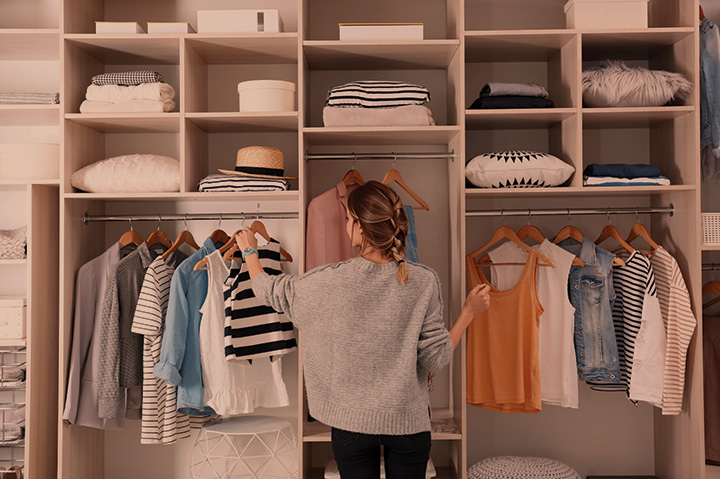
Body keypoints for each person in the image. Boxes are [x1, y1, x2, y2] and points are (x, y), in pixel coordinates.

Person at [235, 180, 490, 479]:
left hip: (350, 425)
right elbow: (435, 359)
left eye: (347, 220)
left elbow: (269, 291)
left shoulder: (329, 280)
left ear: (359, 227)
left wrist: (250, 251)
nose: (346, 226)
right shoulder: (424, 281)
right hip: (408, 423)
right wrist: (469, 312)